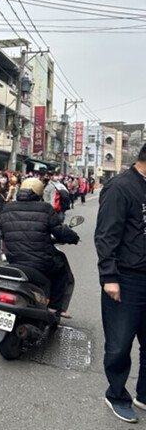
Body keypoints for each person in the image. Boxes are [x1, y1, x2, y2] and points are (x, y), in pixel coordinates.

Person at [94, 144, 146, 424]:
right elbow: (106, 235)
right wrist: (109, 277)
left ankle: (144, 394)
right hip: (126, 279)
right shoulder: (120, 188)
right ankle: (116, 394)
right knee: (119, 344)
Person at [0, 178, 79, 314]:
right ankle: (54, 308)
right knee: (62, 273)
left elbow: (3, 232)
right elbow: (59, 231)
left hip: (14, 258)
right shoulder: (45, 208)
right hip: (40, 261)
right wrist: (73, 237)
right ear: (39, 193)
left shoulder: (7, 208)